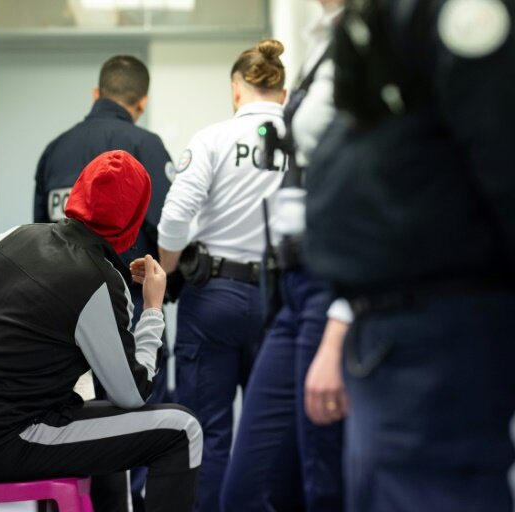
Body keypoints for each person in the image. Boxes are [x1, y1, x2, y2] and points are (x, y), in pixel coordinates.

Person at [304, 0, 515, 511]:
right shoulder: (381, 19)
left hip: (439, 315)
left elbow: (501, 150)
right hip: (391, 319)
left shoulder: (455, 14)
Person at [0, 150, 202, 512]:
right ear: (133, 218)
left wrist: (16, 357)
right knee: (182, 429)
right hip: (5, 442)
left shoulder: (14, 236)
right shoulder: (99, 280)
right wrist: (153, 308)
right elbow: (133, 393)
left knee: (97, 411)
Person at [33, 54, 173, 511]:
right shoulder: (149, 147)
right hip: (125, 316)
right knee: (133, 416)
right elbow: (170, 234)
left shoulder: (55, 149)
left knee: (64, 424)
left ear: (96, 94)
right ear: (142, 101)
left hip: (54, 329)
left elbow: (43, 237)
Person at [220, 3, 346, 511]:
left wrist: (343, 315)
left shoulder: (391, 37)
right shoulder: (325, 41)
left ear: (236, 88)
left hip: (337, 287)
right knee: (249, 490)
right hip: (287, 288)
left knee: (323, 484)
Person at [156, 39, 288, 511]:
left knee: (207, 431)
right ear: (284, 93)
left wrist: (168, 272)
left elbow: (174, 218)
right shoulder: (298, 141)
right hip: (281, 302)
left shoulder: (212, 138)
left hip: (213, 297)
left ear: (236, 90)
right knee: (273, 435)